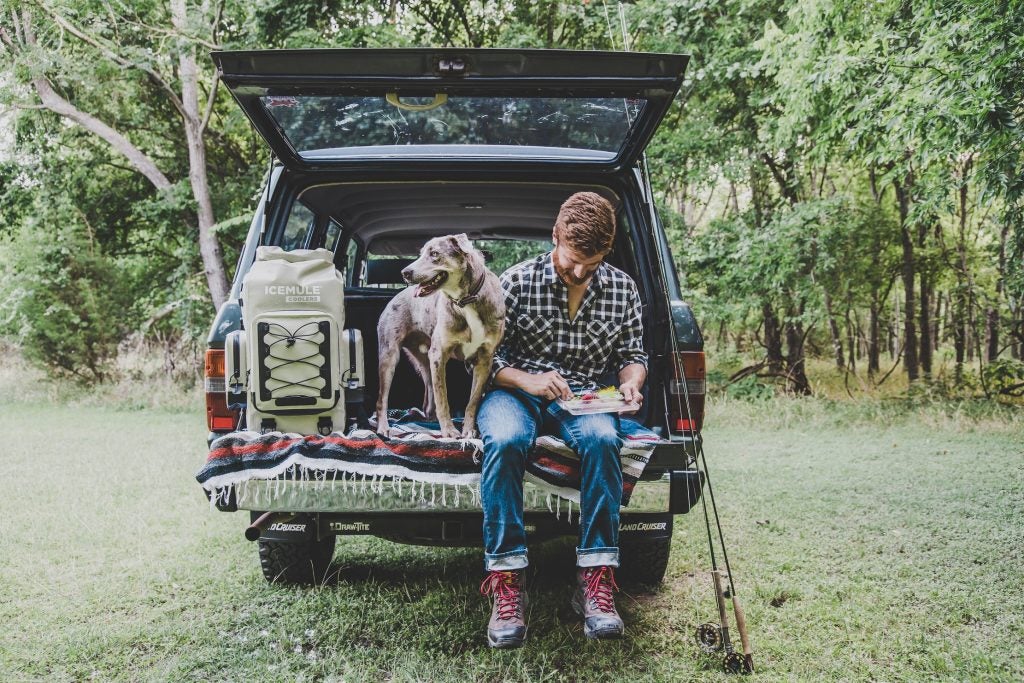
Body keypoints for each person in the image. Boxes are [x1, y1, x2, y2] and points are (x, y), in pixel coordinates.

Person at [477, 191, 648, 648]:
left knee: (602, 441)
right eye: (572, 261)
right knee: (506, 440)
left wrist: (631, 383)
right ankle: (508, 585)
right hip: (514, 393)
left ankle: (594, 582)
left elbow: (633, 356)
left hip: (585, 396)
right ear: (555, 235)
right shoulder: (513, 282)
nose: (578, 273)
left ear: (606, 252)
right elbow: (485, 360)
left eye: (590, 265)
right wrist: (529, 381)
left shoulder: (622, 288)